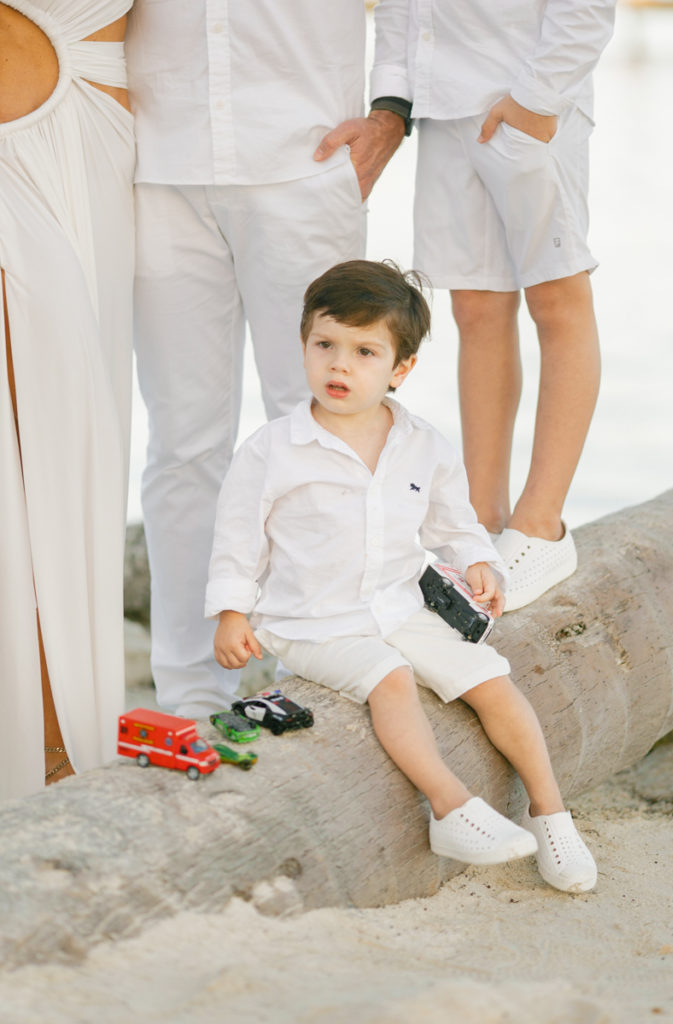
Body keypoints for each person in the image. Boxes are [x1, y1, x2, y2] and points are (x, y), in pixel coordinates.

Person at [205, 260, 597, 893]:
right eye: (324, 345)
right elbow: (236, 540)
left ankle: (551, 813)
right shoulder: (272, 449)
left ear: (400, 369)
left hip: (397, 604)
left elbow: (454, 523)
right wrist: (230, 612)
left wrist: (479, 561)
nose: (339, 365)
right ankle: (451, 808)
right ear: (304, 343)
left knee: (491, 680)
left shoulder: (423, 444)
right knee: (391, 678)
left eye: (364, 351)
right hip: (312, 622)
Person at [124, 2, 407, 717]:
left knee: (326, 426)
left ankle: (327, 675)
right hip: (154, 159)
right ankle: (190, 697)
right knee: (183, 442)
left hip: (304, 157)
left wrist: (392, 112)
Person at [356, 0, 617, 611]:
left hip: (526, 94)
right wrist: (393, 95)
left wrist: (537, 98)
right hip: (443, 102)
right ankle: (483, 519)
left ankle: (541, 523)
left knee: (558, 299)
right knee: (474, 308)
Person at [0, 0, 135, 799]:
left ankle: (59, 737)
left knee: (73, 434)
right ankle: (43, 743)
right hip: (32, 141)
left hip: (89, 136)